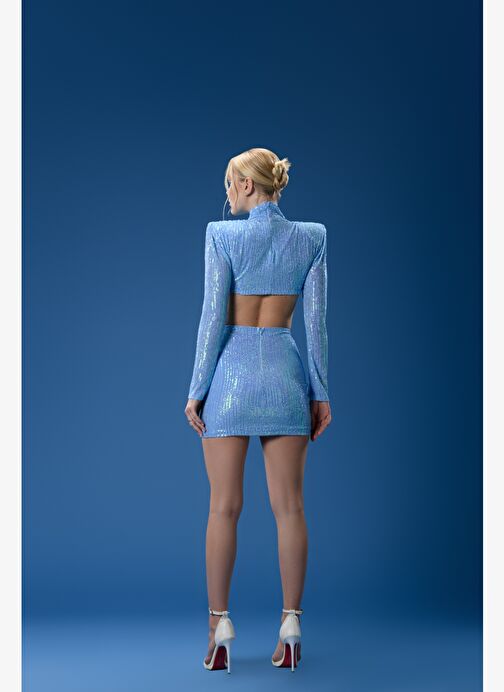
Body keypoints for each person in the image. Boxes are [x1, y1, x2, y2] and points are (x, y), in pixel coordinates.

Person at [185, 147, 332, 672]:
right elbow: (316, 324)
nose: (226, 195)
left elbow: (211, 319)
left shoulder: (221, 236)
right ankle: (291, 623)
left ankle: (218, 627)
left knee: (223, 507)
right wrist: (320, 392)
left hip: (231, 377)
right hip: (287, 376)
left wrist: (197, 389)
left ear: (247, 185)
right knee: (290, 507)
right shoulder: (312, 237)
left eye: (229, 184)